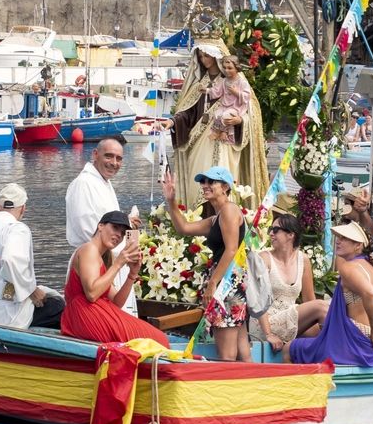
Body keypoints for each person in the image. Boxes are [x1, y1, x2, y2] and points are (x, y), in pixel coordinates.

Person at [162, 42, 269, 210]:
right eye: (201, 56)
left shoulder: (233, 81)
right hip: (199, 141)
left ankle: (226, 219)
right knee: (199, 183)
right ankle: (197, 223)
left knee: (221, 183)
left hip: (224, 141)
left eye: (207, 55)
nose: (204, 60)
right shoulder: (198, 84)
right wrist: (173, 121)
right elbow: (188, 112)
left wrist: (240, 121)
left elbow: (250, 111)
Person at [162, 166, 249, 361]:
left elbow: (231, 250)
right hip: (230, 280)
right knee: (242, 346)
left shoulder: (229, 210)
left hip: (227, 282)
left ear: (225, 187)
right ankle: (251, 384)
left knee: (227, 353)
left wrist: (213, 284)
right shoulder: (216, 218)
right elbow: (183, 228)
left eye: (211, 182)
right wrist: (171, 200)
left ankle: (229, 389)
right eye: (203, 182)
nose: (205, 186)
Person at [288, 222, 373, 367]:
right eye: (339, 237)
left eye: (344, 238)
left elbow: (370, 294)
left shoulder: (349, 267)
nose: (338, 241)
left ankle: (298, 389)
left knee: (288, 349)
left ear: (358, 246)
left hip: (353, 345)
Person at [61, 210, 167, 346]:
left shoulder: (102, 257)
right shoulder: (89, 249)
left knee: (158, 338)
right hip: (83, 316)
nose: (119, 235)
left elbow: (116, 302)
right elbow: (92, 294)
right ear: (100, 226)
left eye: (123, 233)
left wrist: (132, 275)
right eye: (115, 228)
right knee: (157, 339)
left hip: (93, 315)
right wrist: (118, 264)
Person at [0, 183, 64, 329]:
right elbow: (10, 261)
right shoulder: (16, 228)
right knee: (58, 307)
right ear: (23, 208)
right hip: (8, 313)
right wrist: (31, 290)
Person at [66, 134, 138, 316]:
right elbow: (87, 228)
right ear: (95, 154)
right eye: (109, 156)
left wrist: (127, 223)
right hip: (93, 263)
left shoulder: (103, 182)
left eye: (119, 158)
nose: (114, 163)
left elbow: (106, 223)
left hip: (111, 260)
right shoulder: (84, 183)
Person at [252, 214, 324, 356]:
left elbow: (309, 299)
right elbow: (258, 301)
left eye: (276, 230)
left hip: (291, 320)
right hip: (265, 323)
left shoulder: (303, 260)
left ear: (291, 235)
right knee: (322, 307)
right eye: (270, 230)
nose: (271, 233)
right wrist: (268, 334)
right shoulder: (263, 258)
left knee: (325, 326)